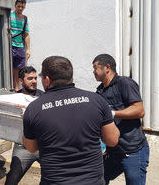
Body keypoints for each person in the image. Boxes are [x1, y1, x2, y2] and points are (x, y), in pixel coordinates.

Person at [22, 56, 120, 184]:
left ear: (47, 79)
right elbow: (112, 140)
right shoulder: (96, 101)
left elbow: (31, 148)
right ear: (70, 76)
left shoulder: (34, 109)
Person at [92, 54, 149, 185]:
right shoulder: (100, 91)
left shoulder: (124, 83)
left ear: (107, 67)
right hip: (113, 151)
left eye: (95, 68)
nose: (93, 72)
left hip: (133, 150)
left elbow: (139, 110)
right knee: (97, 178)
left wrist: (112, 114)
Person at [5, 66, 43, 185]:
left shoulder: (44, 97)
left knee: (53, 178)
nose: (34, 81)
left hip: (43, 146)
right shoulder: (14, 98)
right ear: (21, 81)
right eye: (30, 78)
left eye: (35, 78)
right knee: (11, 180)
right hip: (22, 147)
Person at [11, 0, 30, 92]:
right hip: (10, 45)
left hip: (20, 47)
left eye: (22, 7)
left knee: (20, 68)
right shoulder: (9, 16)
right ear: (15, 6)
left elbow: (26, 34)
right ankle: (15, 87)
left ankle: (21, 87)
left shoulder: (25, 19)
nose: (20, 8)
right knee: (11, 67)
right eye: (18, 6)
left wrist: (28, 49)